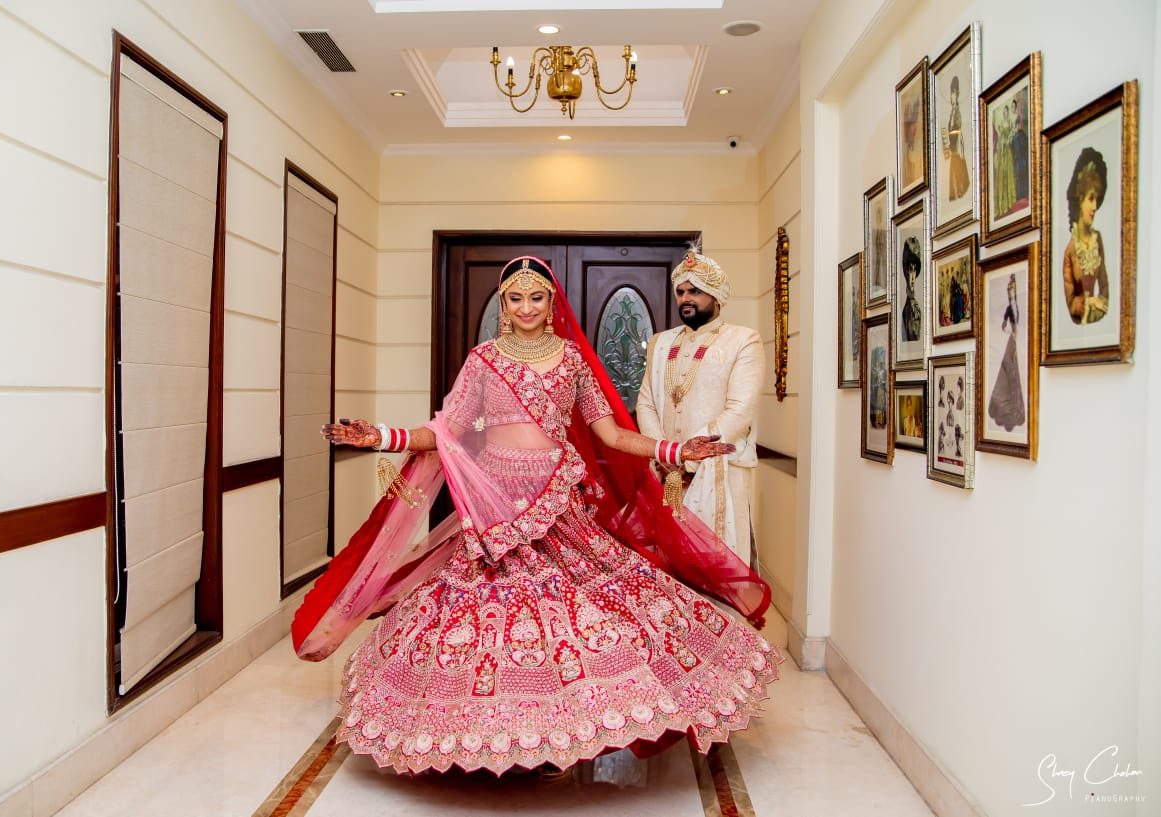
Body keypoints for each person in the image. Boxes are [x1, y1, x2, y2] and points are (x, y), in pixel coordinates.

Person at [293, 256, 781, 778]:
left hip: (557, 507)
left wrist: (675, 451)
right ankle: (484, 736)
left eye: (537, 297)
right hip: (494, 508)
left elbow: (612, 434)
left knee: (576, 619)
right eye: (516, 298)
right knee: (486, 624)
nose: (527, 308)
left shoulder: (572, 361)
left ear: (552, 304)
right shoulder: (482, 361)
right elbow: (447, 431)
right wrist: (383, 437)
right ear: (503, 305)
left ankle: (561, 736)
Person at [636, 250, 764, 567]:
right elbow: (646, 402)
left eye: (694, 291)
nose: (685, 298)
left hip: (717, 471)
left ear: (716, 296)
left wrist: (689, 456)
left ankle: (718, 618)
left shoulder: (743, 340)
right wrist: (666, 454)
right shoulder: (660, 342)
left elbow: (739, 410)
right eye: (680, 292)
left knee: (716, 560)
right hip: (666, 472)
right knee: (669, 556)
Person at [1062, 148, 1110, 324]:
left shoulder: (1098, 240)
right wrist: (1089, 304)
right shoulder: (1071, 250)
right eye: (1091, 199)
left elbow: (1104, 288)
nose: (1095, 206)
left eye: (1097, 199)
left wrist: (1100, 303)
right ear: (1080, 200)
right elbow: (1071, 302)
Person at [988, 274, 1026, 432]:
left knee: (1013, 370)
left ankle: (1015, 407)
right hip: (1013, 339)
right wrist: (1005, 325)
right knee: (1010, 368)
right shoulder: (1010, 308)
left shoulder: (1018, 305)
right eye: (1009, 289)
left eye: (1013, 289)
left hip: (1017, 339)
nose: (1011, 292)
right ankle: (1010, 407)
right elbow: (1006, 318)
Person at [944, 75, 970, 200]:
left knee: (958, 185)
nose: (952, 95)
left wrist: (960, 153)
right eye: (951, 93)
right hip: (953, 155)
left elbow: (960, 135)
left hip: (957, 155)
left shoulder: (958, 112)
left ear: (957, 93)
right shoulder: (952, 113)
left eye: (953, 92)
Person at [900, 237, 922, 342]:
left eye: (914, 267)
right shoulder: (905, 307)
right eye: (909, 267)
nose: (911, 273)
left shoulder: (918, 306)